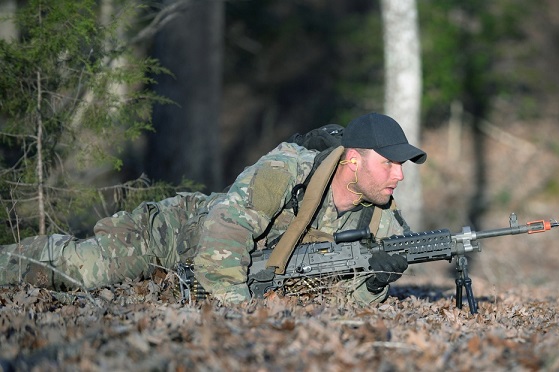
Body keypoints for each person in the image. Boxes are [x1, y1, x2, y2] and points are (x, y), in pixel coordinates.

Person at [0, 112, 426, 305]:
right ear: (352, 159)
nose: (398, 176)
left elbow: (341, 296)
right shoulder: (285, 171)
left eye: (400, 165)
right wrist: (244, 314)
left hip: (210, 273)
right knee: (74, 271)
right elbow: (224, 239)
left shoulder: (379, 215)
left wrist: (375, 284)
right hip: (172, 237)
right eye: (388, 163)